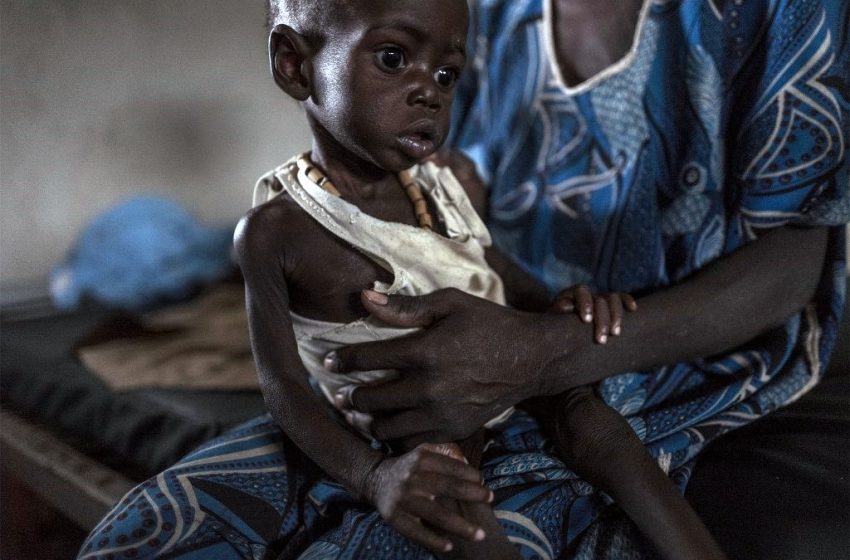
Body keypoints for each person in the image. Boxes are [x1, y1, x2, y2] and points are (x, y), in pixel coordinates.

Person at [79, 0, 848, 558]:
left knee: (596, 436)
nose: (430, 89)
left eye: (446, 73)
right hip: (413, 407)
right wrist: (376, 477)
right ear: (294, 63)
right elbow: (284, 389)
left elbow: (489, 262)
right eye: (394, 60)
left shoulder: (440, 177)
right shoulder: (280, 232)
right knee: (163, 528)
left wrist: (556, 326)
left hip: (599, 351)